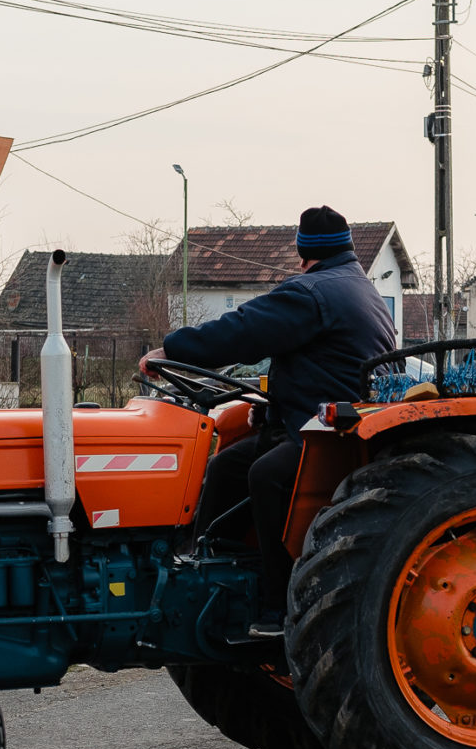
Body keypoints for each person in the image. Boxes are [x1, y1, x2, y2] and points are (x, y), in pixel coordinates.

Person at [140, 205, 395, 631]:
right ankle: (204, 568)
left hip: (328, 433)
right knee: (226, 466)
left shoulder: (312, 293)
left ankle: (280, 607)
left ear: (304, 253)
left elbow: (243, 331)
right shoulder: (359, 287)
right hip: (310, 421)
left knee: (265, 475)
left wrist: (172, 350)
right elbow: (316, 367)